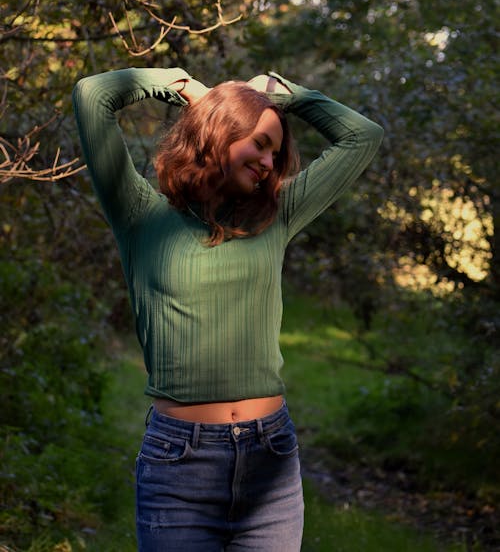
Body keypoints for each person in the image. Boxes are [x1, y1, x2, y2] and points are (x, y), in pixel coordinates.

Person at [72, 66, 383, 551]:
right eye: (260, 143)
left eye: (275, 153)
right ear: (218, 130)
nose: (268, 162)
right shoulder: (139, 215)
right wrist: (184, 89)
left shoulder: (278, 213)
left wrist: (282, 93)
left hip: (271, 459)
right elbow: (91, 95)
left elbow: (362, 137)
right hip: (179, 463)